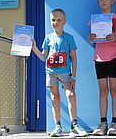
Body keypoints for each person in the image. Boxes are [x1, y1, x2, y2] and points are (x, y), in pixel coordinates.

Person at [31, 9, 88, 137]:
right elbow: (43, 57)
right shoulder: (48, 38)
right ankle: (58, 126)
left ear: (64, 22)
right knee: (54, 98)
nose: (56, 22)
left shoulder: (69, 38)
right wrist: (34, 47)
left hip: (65, 74)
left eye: (59, 20)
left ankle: (74, 125)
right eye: (53, 20)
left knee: (71, 95)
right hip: (51, 73)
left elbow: (74, 58)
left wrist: (73, 76)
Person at [88, 0, 116, 135]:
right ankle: (103, 122)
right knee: (103, 91)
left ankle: (114, 123)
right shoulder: (95, 20)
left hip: (114, 57)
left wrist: (115, 38)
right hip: (99, 57)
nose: (104, 1)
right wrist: (91, 39)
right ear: (98, 2)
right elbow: (93, 41)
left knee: (114, 90)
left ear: (113, 1)